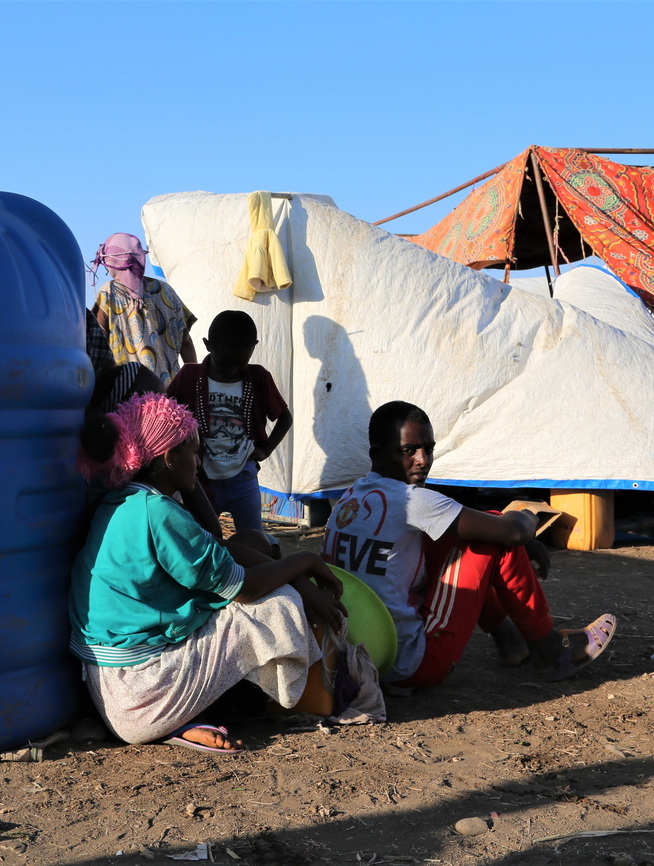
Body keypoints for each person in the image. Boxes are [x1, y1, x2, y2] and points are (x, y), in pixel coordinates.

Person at [71, 393, 346, 753]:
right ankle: (208, 713)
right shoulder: (159, 513)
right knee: (279, 605)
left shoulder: (123, 501)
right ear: (169, 458)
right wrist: (306, 561)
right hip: (146, 695)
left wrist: (293, 572)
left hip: (107, 690)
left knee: (251, 545)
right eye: (194, 452)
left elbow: (218, 544)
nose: (199, 463)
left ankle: (186, 719)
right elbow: (246, 589)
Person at [321, 401, 616, 688]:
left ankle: (510, 641)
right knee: (492, 540)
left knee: (472, 531)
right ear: (378, 454)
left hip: (359, 657)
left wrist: (508, 529)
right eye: (409, 450)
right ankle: (547, 647)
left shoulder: (351, 497)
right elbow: (513, 532)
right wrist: (527, 517)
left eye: (429, 449)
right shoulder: (411, 500)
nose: (423, 460)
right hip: (411, 665)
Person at [168, 310, 292, 535]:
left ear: (253, 347)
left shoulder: (259, 377)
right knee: (203, 537)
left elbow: (285, 418)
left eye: (241, 363)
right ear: (207, 345)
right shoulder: (189, 376)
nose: (232, 370)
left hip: (243, 477)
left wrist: (266, 450)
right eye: (225, 363)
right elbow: (165, 413)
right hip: (201, 480)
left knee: (254, 536)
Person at [91, 233, 196, 387]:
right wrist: (194, 383)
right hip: (169, 390)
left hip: (128, 391)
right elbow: (185, 342)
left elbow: (96, 342)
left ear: (113, 262)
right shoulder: (165, 290)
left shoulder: (109, 293)